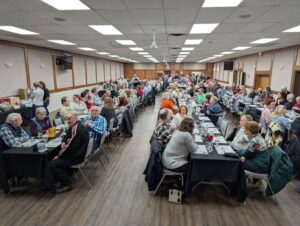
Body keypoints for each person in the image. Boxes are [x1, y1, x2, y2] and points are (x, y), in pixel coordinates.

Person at [49, 113, 89, 194]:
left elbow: (71, 147)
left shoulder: (76, 129)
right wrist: (64, 141)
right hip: (77, 153)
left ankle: (67, 183)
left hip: (77, 156)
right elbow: (66, 136)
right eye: (67, 119)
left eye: (70, 119)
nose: (68, 121)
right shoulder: (75, 126)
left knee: (52, 164)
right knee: (54, 156)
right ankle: (67, 176)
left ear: (75, 118)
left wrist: (59, 156)